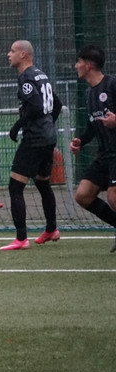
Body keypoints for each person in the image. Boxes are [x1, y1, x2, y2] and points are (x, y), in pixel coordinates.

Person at [0, 40, 63, 250]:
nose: (8, 54)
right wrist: (48, 125)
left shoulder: (26, 77)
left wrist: (17, 126)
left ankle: (21, 239)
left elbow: (35, 106)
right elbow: (57, 104)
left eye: (12, 51)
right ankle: (51, 229)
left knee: (15, 187)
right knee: (42, 183)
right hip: (48, 138)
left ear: (23, 55)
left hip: (35, 139)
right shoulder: (41, 75)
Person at [69, 44, 116, 253]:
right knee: (83, 195)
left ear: (88, 65)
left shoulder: (112, 85)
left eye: (78, 62)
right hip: (104, 155)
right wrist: (80, 140)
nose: (75, 66)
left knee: (114, 197)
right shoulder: (89, 93)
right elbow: (92, 126)